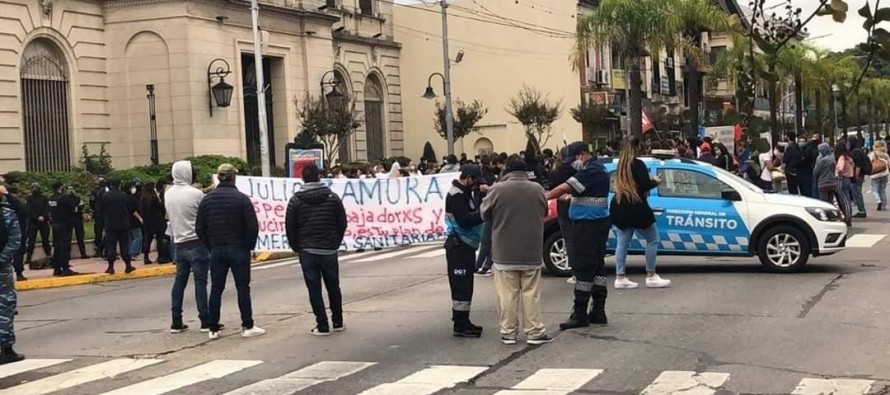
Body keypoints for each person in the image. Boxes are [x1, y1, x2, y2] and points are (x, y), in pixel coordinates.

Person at [481, 156, 552, 345]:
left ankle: (508, 332)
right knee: (531, 293)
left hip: (504, 251)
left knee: (507, 294)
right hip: (531, 249)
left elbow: (484, 214)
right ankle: (534, 331)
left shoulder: (497, 190)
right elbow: (544, 212)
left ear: (507, 171)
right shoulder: (537, 189)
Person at [546, 142, 610, 330]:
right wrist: (571, 198)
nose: (573, 163)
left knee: (583, 268)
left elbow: (563, 187)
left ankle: (580, 312)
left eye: (574, 159)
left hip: (587, 225)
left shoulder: (590, 171)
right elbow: (584, 194)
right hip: (597, 222)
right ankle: (598, 310)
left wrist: (545, 197)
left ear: (583, 154)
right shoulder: (599, 169)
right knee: (597, 267)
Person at [196, 164, 265, 340]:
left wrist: (210, 245)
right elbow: (252, 226)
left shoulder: (207, 200)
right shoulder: (241, 199)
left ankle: (213, 328)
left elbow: (200, 228)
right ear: (234, 177)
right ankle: (247, 324)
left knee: (216, 289)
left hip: (217, 249)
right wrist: (248, 246)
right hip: (239, 248)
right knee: (243, 288)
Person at [285, 164, 348, 336]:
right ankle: (338, 320)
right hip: (328, 249)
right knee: (333, 286)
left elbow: (290, 226)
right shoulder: (332, 198)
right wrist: (335, 241)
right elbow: (342, 221)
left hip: (307, 250)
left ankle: (322, 324)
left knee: (314, 288)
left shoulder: (295, 200)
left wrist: (296, 246)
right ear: (319, 177)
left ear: (303, 179)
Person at [609, 137, 671, 289]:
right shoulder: (637, 164)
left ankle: (620, 276)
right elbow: (644, 185)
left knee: (622, 242)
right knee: (652, 238)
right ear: (636, 147)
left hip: (619, 203)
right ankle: (651, 275)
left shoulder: (621, 165)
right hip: (636, 205)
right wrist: (655, 181)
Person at [165, 161, 211, 334]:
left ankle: (176, 320)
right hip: (196, 241)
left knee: (179, 282)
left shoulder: (168, 194)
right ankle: (205, 320)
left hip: (178, 242)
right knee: (200, 282)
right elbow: (204, 214)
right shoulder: (196, 194)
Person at [443, 164, 486, 338]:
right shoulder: (457, 196)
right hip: (458, 245)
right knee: (461, 285)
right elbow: (465, 220)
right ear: (467, 178)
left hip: (465, 245)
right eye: (475, 182)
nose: (476, 185)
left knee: (466, 284)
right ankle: (460, 324)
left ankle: (464, 320)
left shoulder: (464, 193)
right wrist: (484, 214)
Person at [548, 147, 577, 285]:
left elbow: (551, 188)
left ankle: (575, 272)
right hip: (580, 207)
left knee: (569, 240)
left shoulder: (555, 173)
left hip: (563, 208)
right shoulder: (580, 171)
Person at [0, 195, 23, 365]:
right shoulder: (7, 214)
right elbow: (15, 240)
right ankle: (6, 349)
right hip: (2, 268)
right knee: (5, 306)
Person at [102, 178, 140, 274]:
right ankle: (128, 265)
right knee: (124, 245)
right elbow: (130, 209)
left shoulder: (105, 196)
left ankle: (110, 267)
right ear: (119, 185)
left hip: (110, 224)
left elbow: (100, 209)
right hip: (123, 224)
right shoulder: (124, 196)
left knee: (111, 245)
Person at [48, 182, 78, 277]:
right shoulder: (64, 197)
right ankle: (65, 268)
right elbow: (74, 208)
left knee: (57, 246)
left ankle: (56, 268)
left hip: (55, 224)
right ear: (61, 187)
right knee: (65, 246)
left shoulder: (51, 197)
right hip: (65, 223)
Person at [2, 187, 27, 282]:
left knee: (18, 253)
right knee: (18, 253)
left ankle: (19, 272)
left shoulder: (13, 205)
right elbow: (22, 208)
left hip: (17, 232)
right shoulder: (12, 206)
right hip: (14, 234)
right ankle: (18, 272)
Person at [140, 183, 167, 265]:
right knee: (159, 240)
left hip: (148, 221)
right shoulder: (154, 197)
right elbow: (161, 207)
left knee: (148, 240)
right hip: (157, 220)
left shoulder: (143, 197)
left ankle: (146, 257)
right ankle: (161, 257)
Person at [24, 183, 51, 266]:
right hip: (33, 222)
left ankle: (49, 256)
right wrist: (37, 217)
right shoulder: (29, 198)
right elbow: (28, 210)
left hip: (43, 221)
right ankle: (28, 257)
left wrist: (43, 216)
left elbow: (47, 208)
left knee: (45, 240)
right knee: (31, 240)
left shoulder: (44, 198)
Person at [835, 141, 856, 226]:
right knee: (847, 198)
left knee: (844, 199)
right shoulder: (849, 157)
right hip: (848, 178)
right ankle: (848, 216)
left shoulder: (841, 158)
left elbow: (840, 168)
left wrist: (839, 175)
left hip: (842, 179)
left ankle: (847, 217)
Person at [849, 137, 870, 218]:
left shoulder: (855, 152)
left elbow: (858, 164)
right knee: (857, 191)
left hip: (857, 174)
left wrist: (856, 175)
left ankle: (861, 210)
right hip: (860, 174)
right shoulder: (859, 150)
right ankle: (861, 209)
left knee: (856, 192)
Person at [90, 176, 109, 258]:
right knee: (98, 232)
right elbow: (91, 202)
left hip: (105, 214)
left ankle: (105, 249)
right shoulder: (95, 191)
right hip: (99, 214)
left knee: (107, 232)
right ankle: (99, 249)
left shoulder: (107, 190)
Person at [67, 186, 89, 260]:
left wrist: (76, 208)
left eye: (72, 189)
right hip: (69, 219)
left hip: (77, 219)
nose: (71, 190)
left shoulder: (77, 198)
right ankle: (67, 254)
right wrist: (74, 208)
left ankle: (83, 253)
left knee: (80, 236)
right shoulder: (65, 199)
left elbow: (81, 205)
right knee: (67, 237)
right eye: (69, 189)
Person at [869, 140, 890, 211]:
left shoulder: (872, 154)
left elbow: (869, 163)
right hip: (884, 174)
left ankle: (878, 201)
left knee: (874, 190)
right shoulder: (885, 155)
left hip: (875, 174)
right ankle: (883, 206)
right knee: (882, 190)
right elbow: (888, 164)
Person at [127, 180, 144, 259]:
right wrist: (140, 218)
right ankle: (134, 252)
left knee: (130, 237)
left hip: (127, 220)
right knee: (138, 237)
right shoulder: (131, 198)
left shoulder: (126, 197)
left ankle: (130, 253)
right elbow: (133, 210)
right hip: (134, 220)